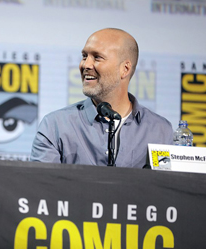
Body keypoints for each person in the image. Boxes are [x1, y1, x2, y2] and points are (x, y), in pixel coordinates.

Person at [30, 28, 173, 167]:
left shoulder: (160, 130)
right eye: (84, 56)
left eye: (97, 57)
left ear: (125, 69)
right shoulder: (55, 126)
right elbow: (43, 187)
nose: (86, 64)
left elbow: (166, 188)